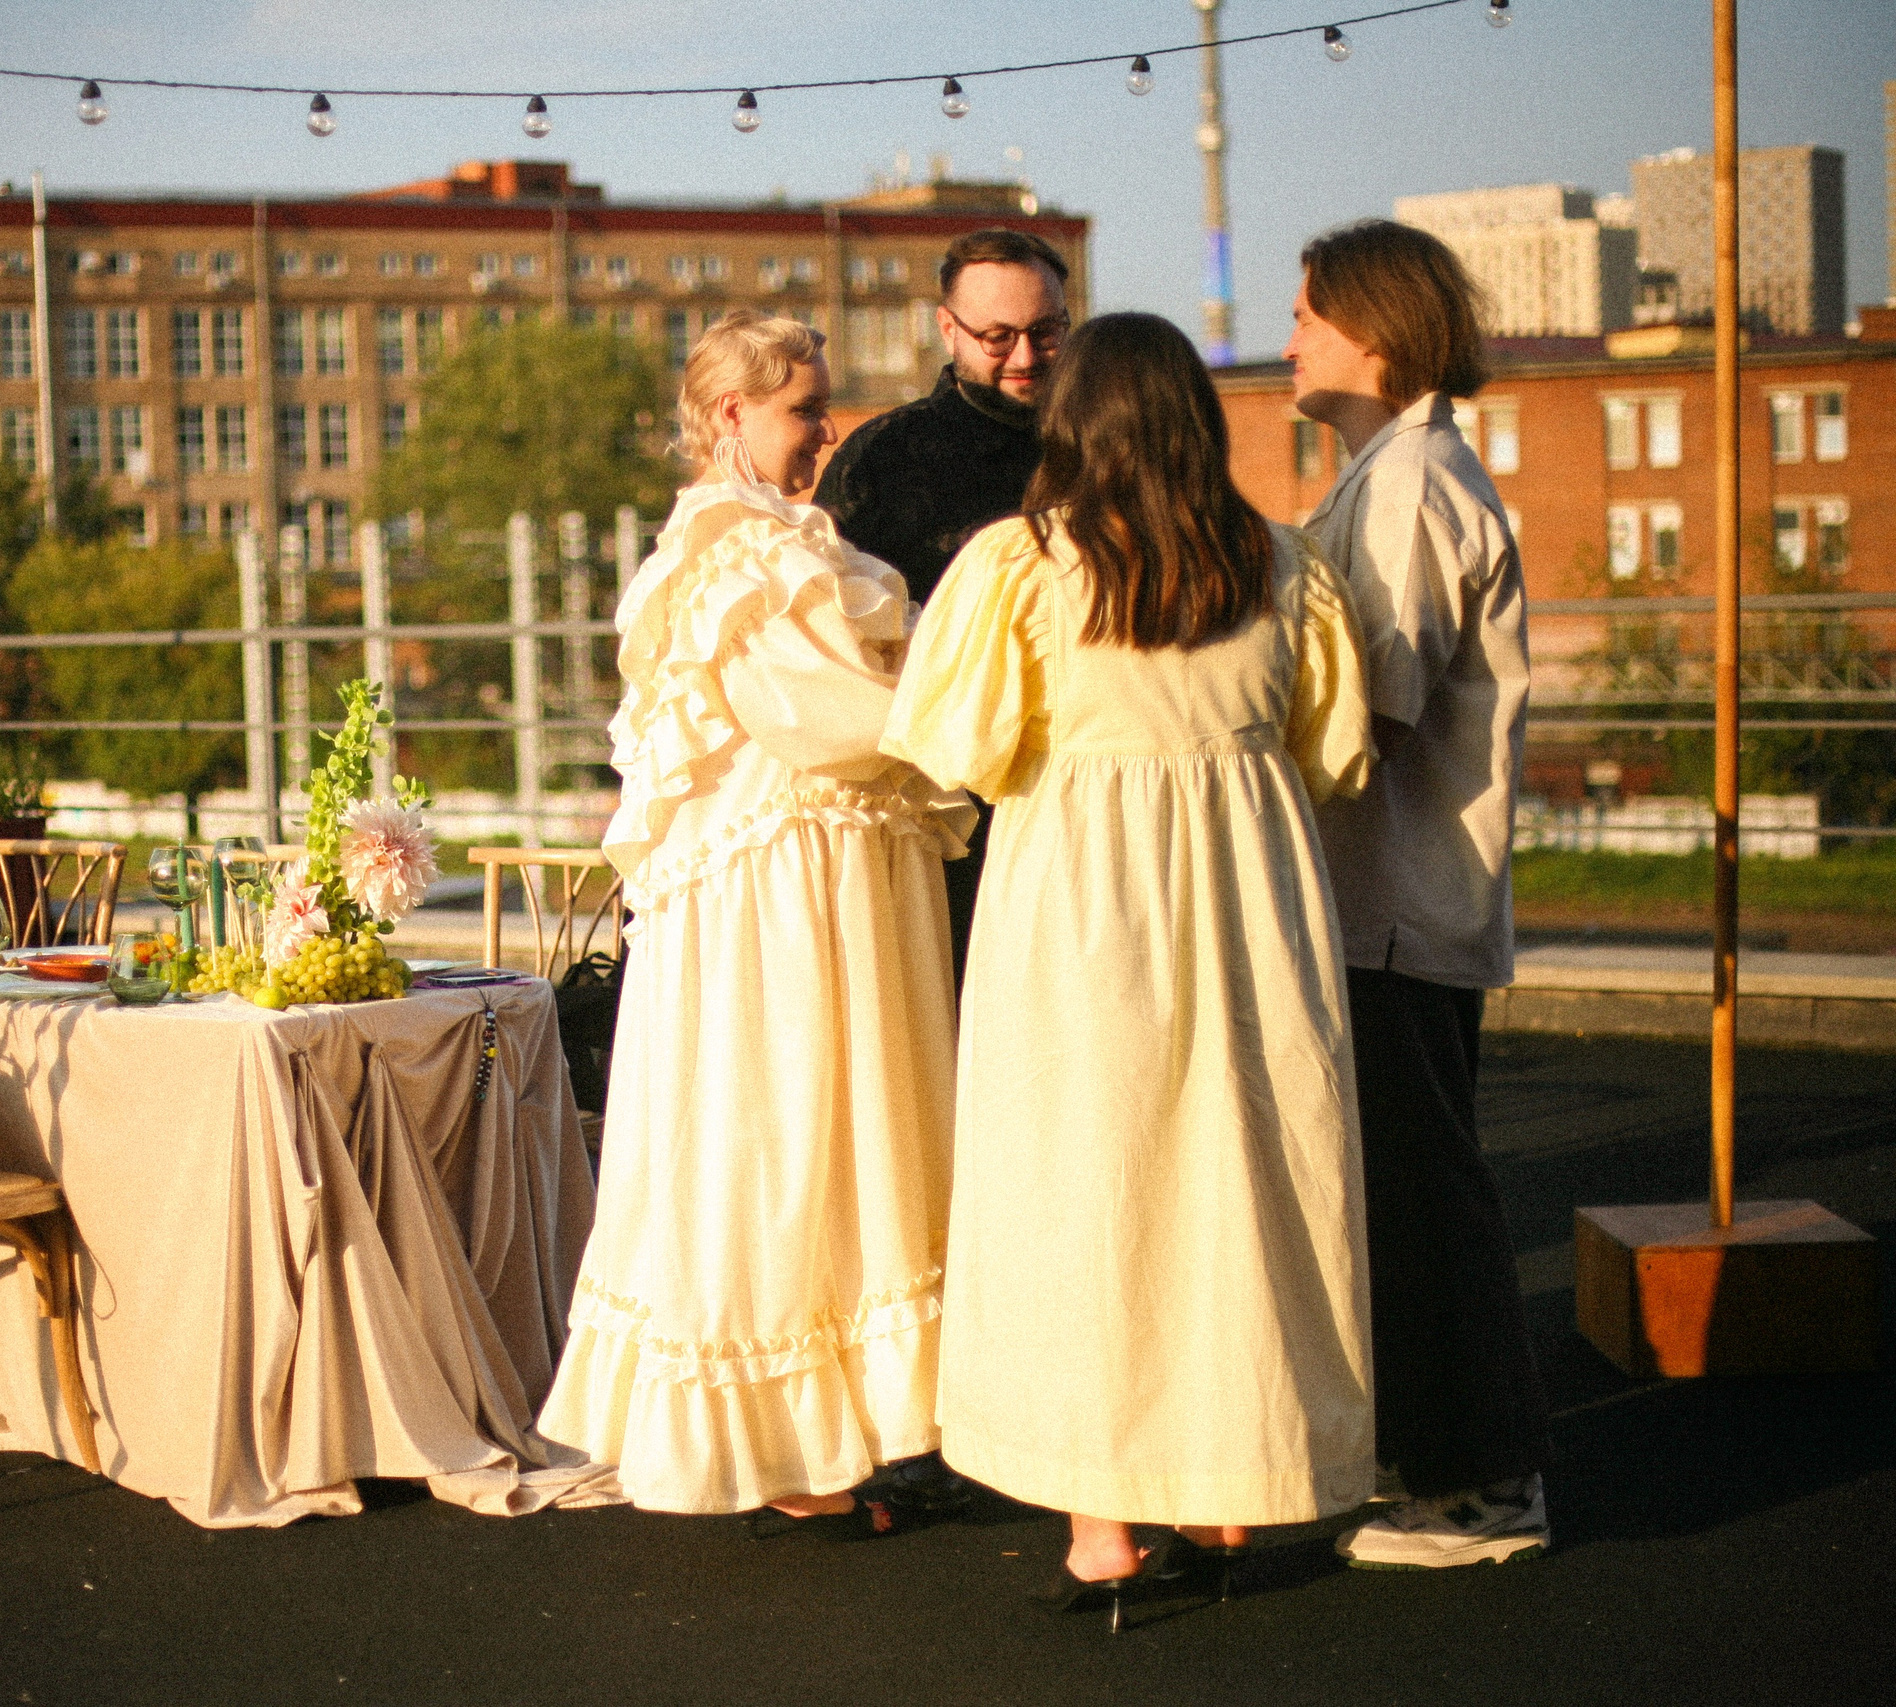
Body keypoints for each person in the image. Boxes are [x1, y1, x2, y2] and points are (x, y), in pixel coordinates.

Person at [882, 313, 1378, 1621]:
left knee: (1081, 1197)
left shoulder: (1018, 565)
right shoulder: (1282, 560)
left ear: (1075, 423)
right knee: (1241, 1181)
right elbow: (1334, 752)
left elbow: (951, 744)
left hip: (1077, 911)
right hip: (1249, 909)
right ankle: (1232, 1487)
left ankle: (1101, 1527)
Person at [536, 311, 972, 1531]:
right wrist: (970, 700)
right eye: (801, 408)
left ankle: (822, 1433)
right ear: (729, 415)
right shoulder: (733, 555)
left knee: (827, 1138)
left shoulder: (782, 537)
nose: (825, 429)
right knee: (783, 1133)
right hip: (778, 901)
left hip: (821, 878)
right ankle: (778, 1446)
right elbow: (821, 713)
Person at [1286, 220, 1553, 1569]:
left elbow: (1370, 707)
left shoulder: (1408, 490)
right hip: (1396, 900)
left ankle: (1480, 1484)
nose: (1290, 337)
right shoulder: (1392, 473)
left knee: (1424, 1192)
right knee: (1407, 1186)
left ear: (1374, 333)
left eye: (1310, 315)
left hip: (1398, 901)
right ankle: (1440, 1462)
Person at [812, 227, 1072, 991]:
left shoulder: (1102, 441)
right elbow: (837, 645)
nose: (1024, 358)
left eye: (1046, 332)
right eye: (997, 337)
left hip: (1079, 791)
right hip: (943, 809)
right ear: (946, 328)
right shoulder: (887, 457)